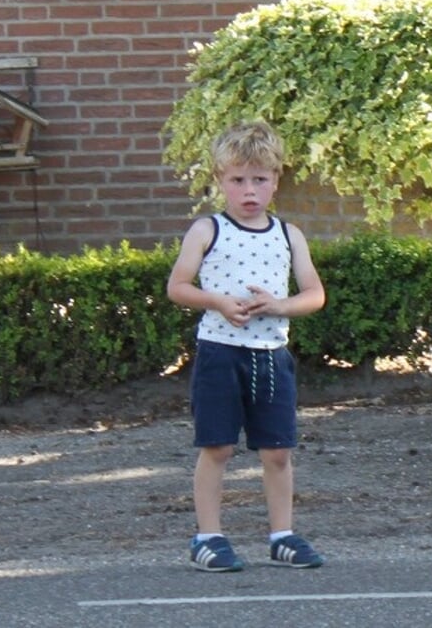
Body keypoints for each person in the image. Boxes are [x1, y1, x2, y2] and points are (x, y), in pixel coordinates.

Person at [166, 121, 327, 572]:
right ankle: (208, 537)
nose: (249, 190)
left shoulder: (288, 234)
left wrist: (278, 305)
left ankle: (282, 535)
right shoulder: (207, 230)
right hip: (221, 353)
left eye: (260, 179)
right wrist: (217, 301)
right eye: (238, 180)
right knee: (217, 446)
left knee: (277, 450)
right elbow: (178, 286)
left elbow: (314, 294)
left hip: (271, 355)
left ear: (276, 180)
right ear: (220, 180)